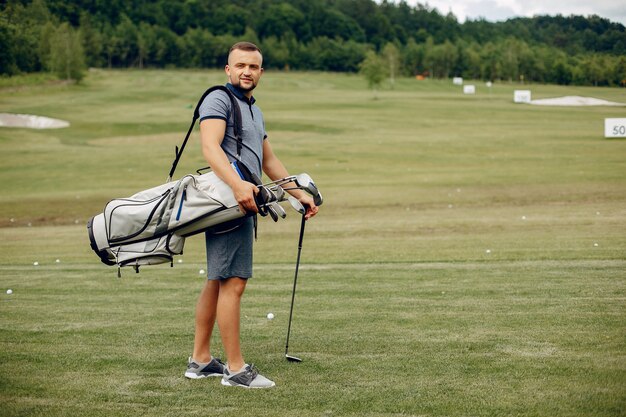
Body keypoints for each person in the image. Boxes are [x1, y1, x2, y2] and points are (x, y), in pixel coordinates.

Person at [184, 41, 318, 388]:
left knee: (217, 279)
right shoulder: (218, 99)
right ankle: (235, 369)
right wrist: (240, 186)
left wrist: (299, 195)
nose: (247, 71)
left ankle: (200, 361)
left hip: (241, 203)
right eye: (240, 65)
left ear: (261, 72)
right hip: (229, 203)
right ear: (228, 69)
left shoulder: (254, 110)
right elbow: (210, 147)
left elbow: (269, 161)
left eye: (253, 66)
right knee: (234, 282)